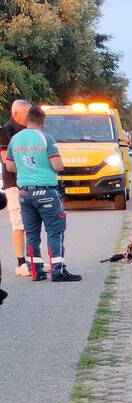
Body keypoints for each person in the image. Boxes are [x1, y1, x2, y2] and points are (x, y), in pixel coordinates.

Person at [4, 105, 82, 282]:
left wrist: (25, 169)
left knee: (32, 233)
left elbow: (9, 166)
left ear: (27, 120)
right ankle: (58, 271)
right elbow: (57, 166)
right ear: (42, 120)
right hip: (46, 191)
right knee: (55, 232)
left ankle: (36, 271)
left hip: (24, 193)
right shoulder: (46, 138)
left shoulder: (15, 139)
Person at [0, 100, 30, 276]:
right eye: (27, 114)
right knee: (18, 223)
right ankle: (21, 262)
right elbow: (6, 160)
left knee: (31, 223)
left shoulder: (30, 131)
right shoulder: (5, 132)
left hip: (30, 182)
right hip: (14, 184)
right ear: (16, 114)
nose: (29, 117)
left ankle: (34, 259)